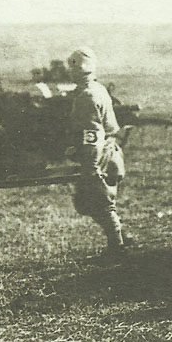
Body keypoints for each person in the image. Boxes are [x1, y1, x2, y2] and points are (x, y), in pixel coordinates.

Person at [66, 47, 130, 256]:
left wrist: (91, 167)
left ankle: (117, 244)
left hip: (99, 154)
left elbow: (92, 134)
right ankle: (120, 235)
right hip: (111, 150)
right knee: (100, 201)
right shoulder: (99, 89)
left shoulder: (86, 97)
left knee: (97, 201)